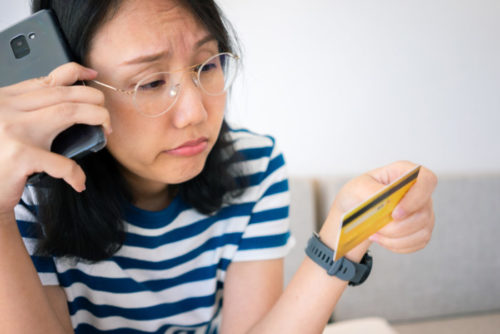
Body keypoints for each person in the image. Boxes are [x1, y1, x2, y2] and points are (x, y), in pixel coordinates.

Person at [0, 0, 437, 333]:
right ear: (73, 90)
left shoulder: (253, 166)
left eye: (207, 65)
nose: (195, 112)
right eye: (151, 82)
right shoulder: (26, 194)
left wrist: (346, 231)